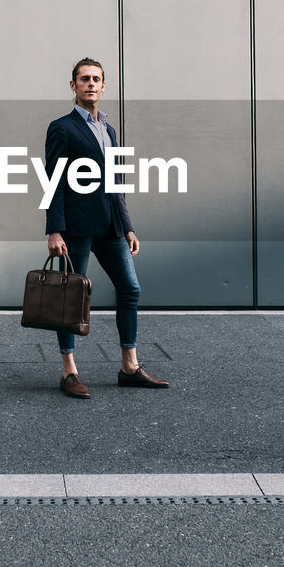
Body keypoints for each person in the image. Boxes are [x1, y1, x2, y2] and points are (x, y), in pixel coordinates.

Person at [45, 57, 169, 399]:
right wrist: (55, 229)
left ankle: (129, 367)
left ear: (103, 85)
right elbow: (54, 180)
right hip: (77, 227)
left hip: (111, 226)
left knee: (130, 289)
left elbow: (116, 182)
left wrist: (127, 226)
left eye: (96, 79)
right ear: (73, 86)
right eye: (84, 79)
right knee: (71, 297)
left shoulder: (109, 130)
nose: (90, 84)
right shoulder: (62, 128)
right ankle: (69, 371)